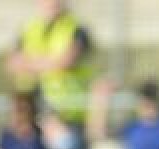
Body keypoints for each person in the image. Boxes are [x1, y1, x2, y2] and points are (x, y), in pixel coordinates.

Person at [7, 0, 95, 129]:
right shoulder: (30, 28)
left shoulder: (76, 28)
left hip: (66, 113)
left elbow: (65, 61)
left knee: (65, 146)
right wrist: (50, 62)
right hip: (30, 109)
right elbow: (13, 64)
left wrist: (30, 63)